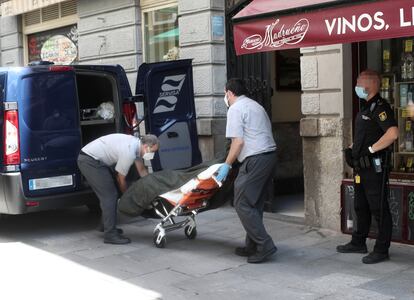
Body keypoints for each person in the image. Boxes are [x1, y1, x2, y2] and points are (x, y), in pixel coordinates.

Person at [338, 70, 398, 264]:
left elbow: (393, 133)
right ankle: (358, 242)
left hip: (374, 168)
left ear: (368, 85)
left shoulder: (380, 108)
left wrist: (371, 150)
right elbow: (364, 136)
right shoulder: (365, 107)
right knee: (360, 206)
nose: (356, 86)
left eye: (357, 83)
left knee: (379, 209)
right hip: (360, 168)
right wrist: (352, 149)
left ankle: (381, 250)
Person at [216, 78, 277, 264]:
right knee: (255, 203)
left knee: (241, 202)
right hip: (269, 156)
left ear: (229, 93)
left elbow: (238, 142)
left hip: (255, 158)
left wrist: (227, 164)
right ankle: (253, 245)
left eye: (224, 93)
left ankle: (264, 244)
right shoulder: (255, 105)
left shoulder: (235, 109)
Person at [77, 133, 159, 244]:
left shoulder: (137, 146)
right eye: (153, 151)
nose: (153, 154)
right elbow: (121, 179)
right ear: (146, 147)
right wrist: (127, 196)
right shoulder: (129, 152)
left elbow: (142, 171)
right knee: (110, 196)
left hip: (97, 160)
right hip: (89, 160)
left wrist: (153, 186)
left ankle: (105, 226)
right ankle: (110, 234)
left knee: (112, 193)